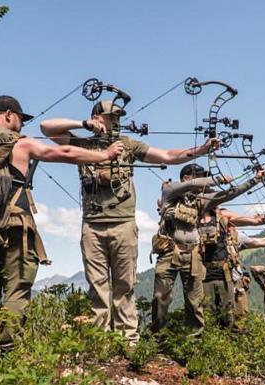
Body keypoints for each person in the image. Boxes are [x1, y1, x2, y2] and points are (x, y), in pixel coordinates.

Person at [0, 95, 124, 351]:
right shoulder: (20, 144)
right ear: (8, 115)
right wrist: (104, 155)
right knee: (17, 290)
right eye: (19, 118)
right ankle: (7, 353)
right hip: (16, 225)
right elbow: (63, 152)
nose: (22, 124)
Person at [41, 102, 218, 344]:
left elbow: (167, 156)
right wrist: (83, 125)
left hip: (124, 224)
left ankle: (128, 340)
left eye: (118, 118)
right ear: (96, 117)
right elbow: (46, 128)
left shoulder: (128, 145)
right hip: (92, 225)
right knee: (97, 285)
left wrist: (201, 150)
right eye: (110, 117)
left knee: (125, 284)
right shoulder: (82, 144)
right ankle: (100, 341)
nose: (115, 122)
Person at [150, 163, 264, 335]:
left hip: (192, 255)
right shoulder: (170, 191)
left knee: (195, 301)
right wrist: (217, 179)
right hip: (168, 253)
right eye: (200, 177)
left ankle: (195, 340)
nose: (204, 181)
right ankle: (157, 337)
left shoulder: (200, 201)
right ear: (187, 177)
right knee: (160, 298)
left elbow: (229, 194)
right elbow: (192, 185)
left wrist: (254, 180)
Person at [199, 205, 265, 328]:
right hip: (207, 278)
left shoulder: (235, 238)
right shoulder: (201, 228)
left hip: (232, 281)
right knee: (208, 315)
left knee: (234, 319)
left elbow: (258, 239)